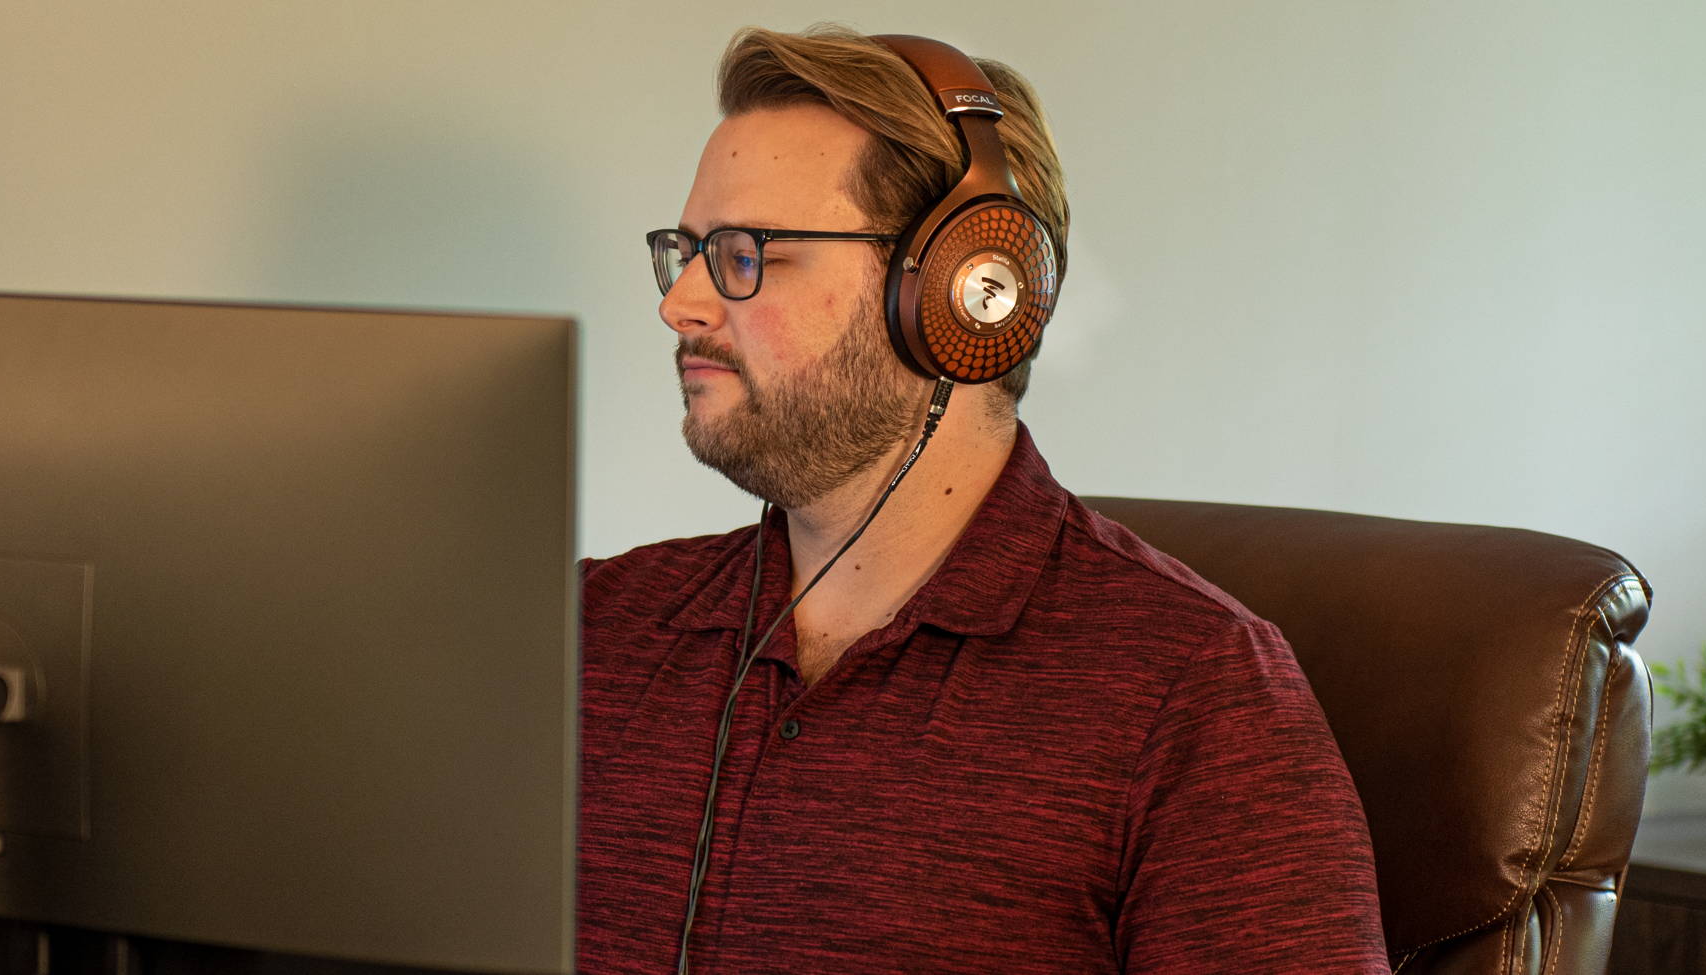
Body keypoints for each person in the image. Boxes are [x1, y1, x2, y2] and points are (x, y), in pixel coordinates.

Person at [577, 25, 1392, 975]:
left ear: (970, 291)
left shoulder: (1196, 696)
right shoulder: (589, 630)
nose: (681, 302)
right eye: (685, 249)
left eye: (745, 252)